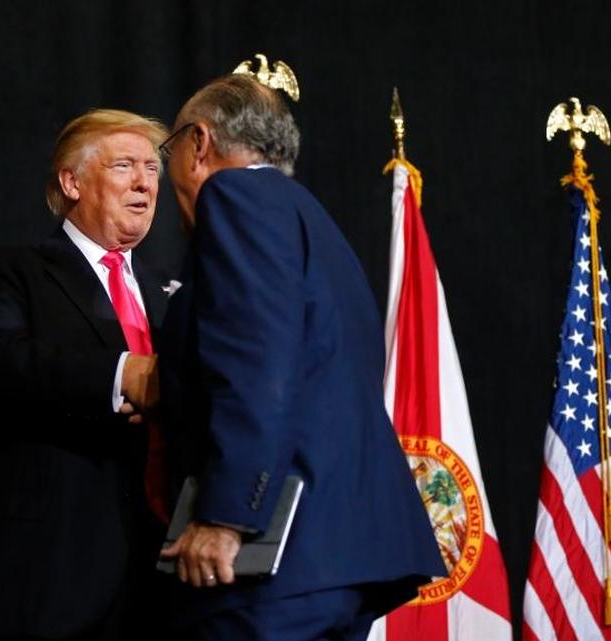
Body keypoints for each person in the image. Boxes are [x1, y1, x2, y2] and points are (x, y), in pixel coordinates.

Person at [157, 74, 445, 641]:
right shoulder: (310, 218)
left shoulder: (234, 197)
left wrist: (227, 515)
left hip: (277, 562)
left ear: (198, 143)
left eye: (166, 154)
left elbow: (256, 362)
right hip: (340, 554)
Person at [0, 109, 171, 640]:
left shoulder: (174, 292)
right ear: (72, 182)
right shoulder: (13, 271)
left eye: (152, 169)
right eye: (124, 165)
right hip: (55, 567)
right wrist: (122, 375)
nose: (144, 182)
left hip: (163, 571)